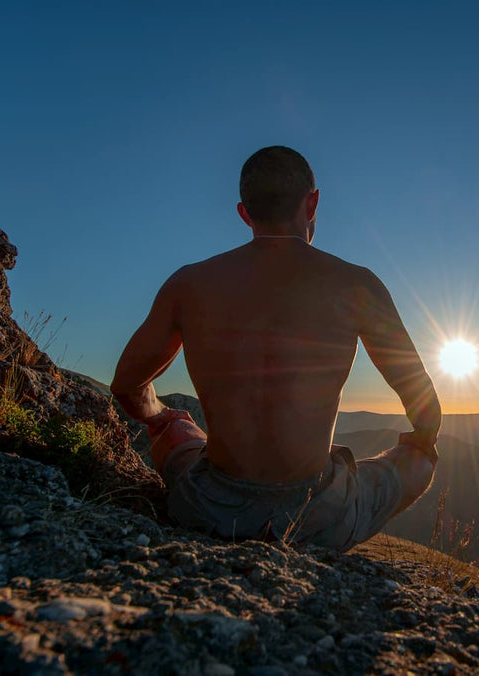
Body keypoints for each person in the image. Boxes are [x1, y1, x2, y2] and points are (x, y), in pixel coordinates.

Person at [111, 146, 441, 551]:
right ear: (313, 202)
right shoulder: (357, 284)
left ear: (244, 213)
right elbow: (426, 408)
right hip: (317, 516)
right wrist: (418, 441)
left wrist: (164, 414)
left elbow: (127, 387)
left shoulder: (189, 284)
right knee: (420, 462)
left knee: (175, 430)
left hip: (207, 506)